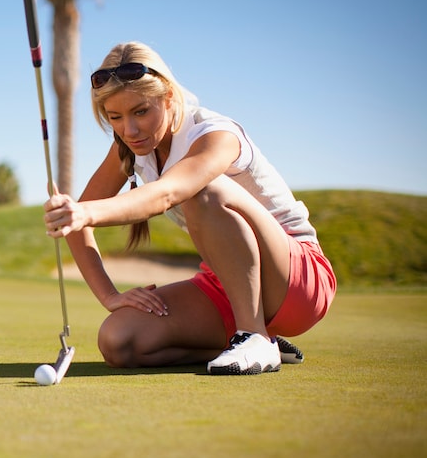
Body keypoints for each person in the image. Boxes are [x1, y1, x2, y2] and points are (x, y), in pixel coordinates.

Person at [43, 42, 336, 375]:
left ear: (169, 97)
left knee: (203, 189)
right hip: (226, 285)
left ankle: (252, 334)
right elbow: (78, 224)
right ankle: (263, 341)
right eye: (116, 118)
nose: (130, 129)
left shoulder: (215, 133)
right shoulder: (129, 147)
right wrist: (109, 296)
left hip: (298, 280)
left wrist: (84, 212)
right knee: (118, 339)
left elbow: (170, 192)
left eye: (141, 111)